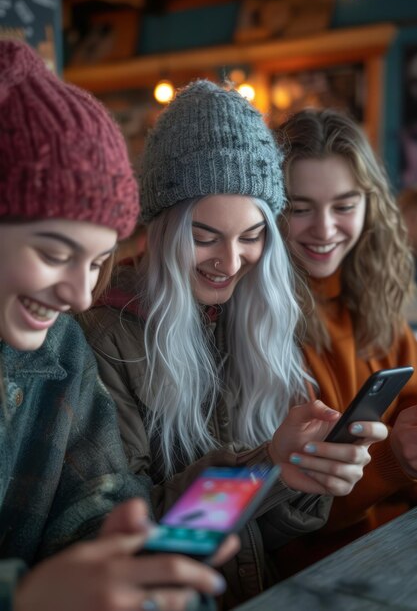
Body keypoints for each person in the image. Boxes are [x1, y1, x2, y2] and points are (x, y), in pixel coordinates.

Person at [81, 81, 387, 609]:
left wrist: (300, 475)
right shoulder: (105, 337)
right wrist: (263, 466)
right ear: (159, 228)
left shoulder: (257, 320)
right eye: (203, 237)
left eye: (251, 236)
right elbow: (135, 542)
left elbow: (267, 538)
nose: (229, 261)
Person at [0, 41, 237, 611]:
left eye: (99, 262)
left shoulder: (59, 345)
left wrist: (140, 572)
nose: (81, 294)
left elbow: (94, 503)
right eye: (55, 253)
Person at [274, 107, 417, 575]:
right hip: (315, 574)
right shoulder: (260, 324)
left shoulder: (378, 302)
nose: (325, 228)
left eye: (344, 205)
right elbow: (297, 517)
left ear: (369, 204)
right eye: (299, 208)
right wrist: (396, 462)